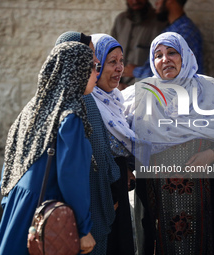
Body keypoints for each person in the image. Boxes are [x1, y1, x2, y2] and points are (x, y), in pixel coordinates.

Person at [121, 32, 214, 254]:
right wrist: (126, 168)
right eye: (158, 55)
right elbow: (118, 135)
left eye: (172, 52)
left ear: (185, 56)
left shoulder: (209, 90)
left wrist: (211, 155)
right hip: (157, 204)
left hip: (206, 202)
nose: (165, 59)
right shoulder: (139, 94)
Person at [0, 41, 98, 255]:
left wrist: (9, 202)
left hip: (19, 206)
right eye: (93, 67)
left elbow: (11, 158)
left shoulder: (34, 107)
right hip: (46, 213)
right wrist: (84, 230)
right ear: (75, 70)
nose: (96, 73)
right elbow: (72, 178)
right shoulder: (70, 116)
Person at [55, 31, 121, 255]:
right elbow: (79, 167)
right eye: (91, 56)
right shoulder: (81, 103)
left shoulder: (46, 100)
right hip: (83, 208)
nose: (96, 63)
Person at [90, 33, 136, 255]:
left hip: (117, 185)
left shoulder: (117, 99)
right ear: (95, 65)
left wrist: (126, 166)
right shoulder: (88, 103)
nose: (120, 68)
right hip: (99, 190)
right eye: (112, 62)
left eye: (121, 61)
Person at [123, 0, 204, 81]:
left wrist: (135, 71)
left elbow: (169, 72)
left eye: (158, 0)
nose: (156, 3)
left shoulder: (185, 32)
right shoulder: (171, 28)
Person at [111, 0, 166, 90]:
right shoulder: (120, 20)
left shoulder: (160, 23)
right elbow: (110, 54)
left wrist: (136, 73)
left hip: (147, 90)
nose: (135, 1)